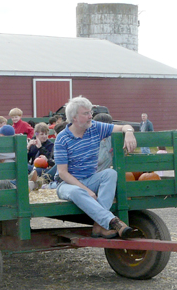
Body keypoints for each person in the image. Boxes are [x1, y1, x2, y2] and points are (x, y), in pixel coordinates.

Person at [54, 96, 137, 238]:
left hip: (90, 178)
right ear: (74, 117)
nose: (90, 116)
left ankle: (99, 226)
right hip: (67, 184)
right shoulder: (62, 139)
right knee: (76, 192)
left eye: (90, 112)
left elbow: (123, 126)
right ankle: (113, 221)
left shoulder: (95, 127)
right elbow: (63, 173)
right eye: (85, 113)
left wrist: (129, 132)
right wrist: (86, 190)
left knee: (110, 174)